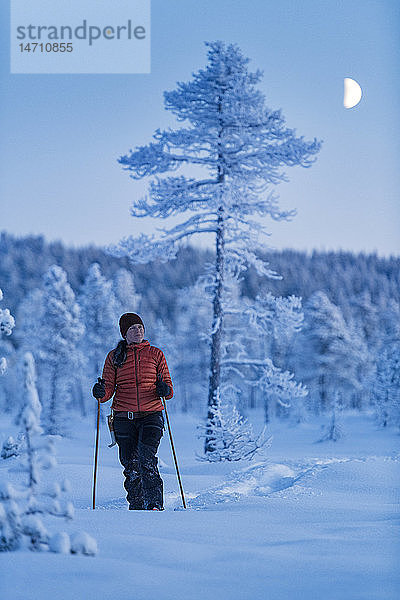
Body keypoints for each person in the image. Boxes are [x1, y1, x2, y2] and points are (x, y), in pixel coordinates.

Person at [92, 313, 173, 511]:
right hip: (123, 417)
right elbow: (107, 391)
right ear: (124, 333)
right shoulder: (114, 356)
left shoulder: (155, 354)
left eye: (140, 327)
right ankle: (136, 506)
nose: (138, 331)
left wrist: (164, 389)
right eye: (133, 328)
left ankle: (154, 504)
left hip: (151, 414)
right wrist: (100, 393)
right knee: (130, 465)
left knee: (146, 459)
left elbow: (169, 389)